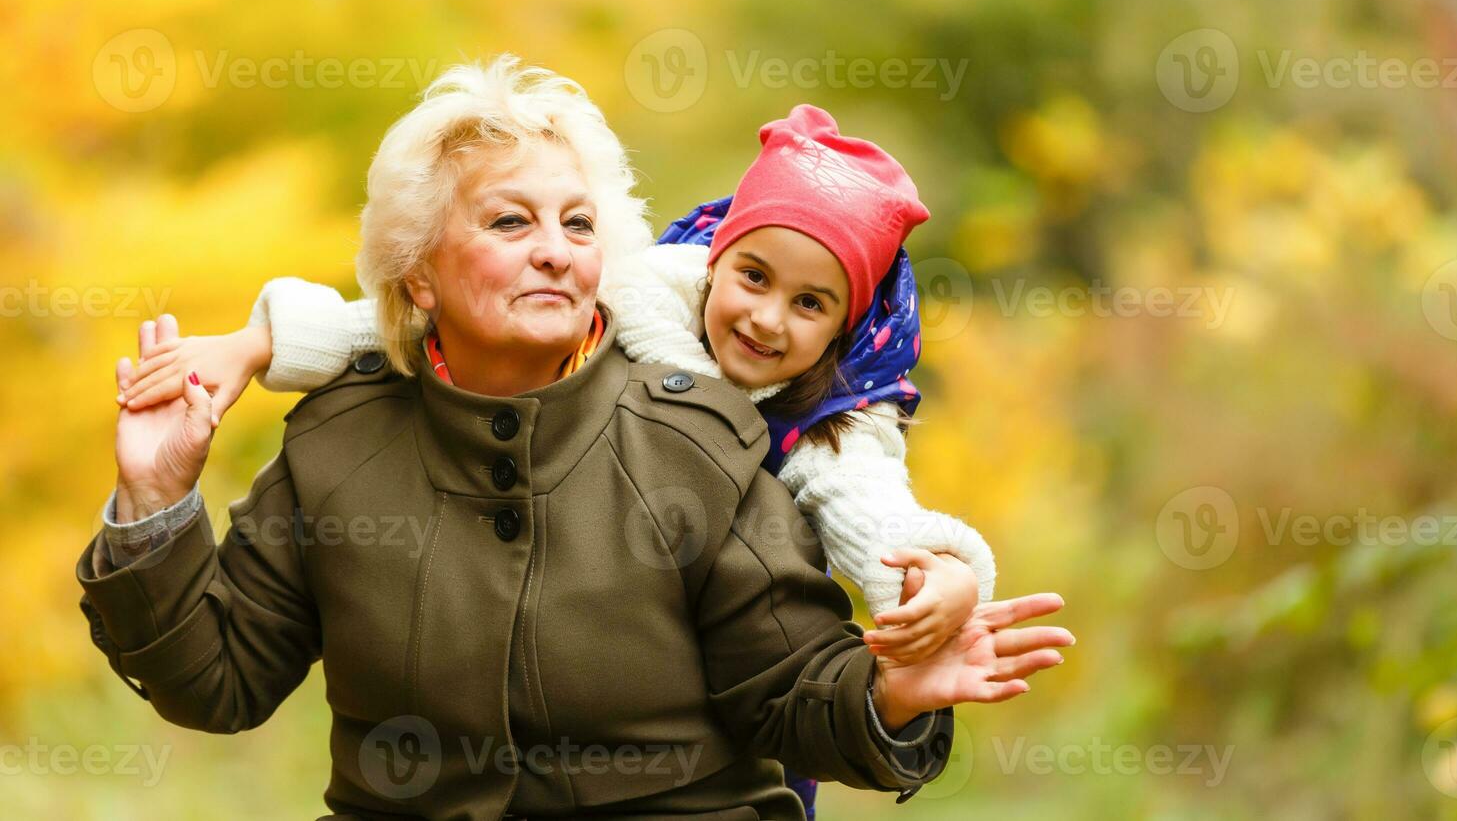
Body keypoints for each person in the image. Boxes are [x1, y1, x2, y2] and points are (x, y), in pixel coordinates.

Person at [80, 56, 1074, 820]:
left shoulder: (696, 432)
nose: (555, 248)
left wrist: (890, 693)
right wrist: (156, 504)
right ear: (419, 272)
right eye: (511, 221)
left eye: (578, 223)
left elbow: (794, 691)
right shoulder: (338, 440)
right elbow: (217, 680)